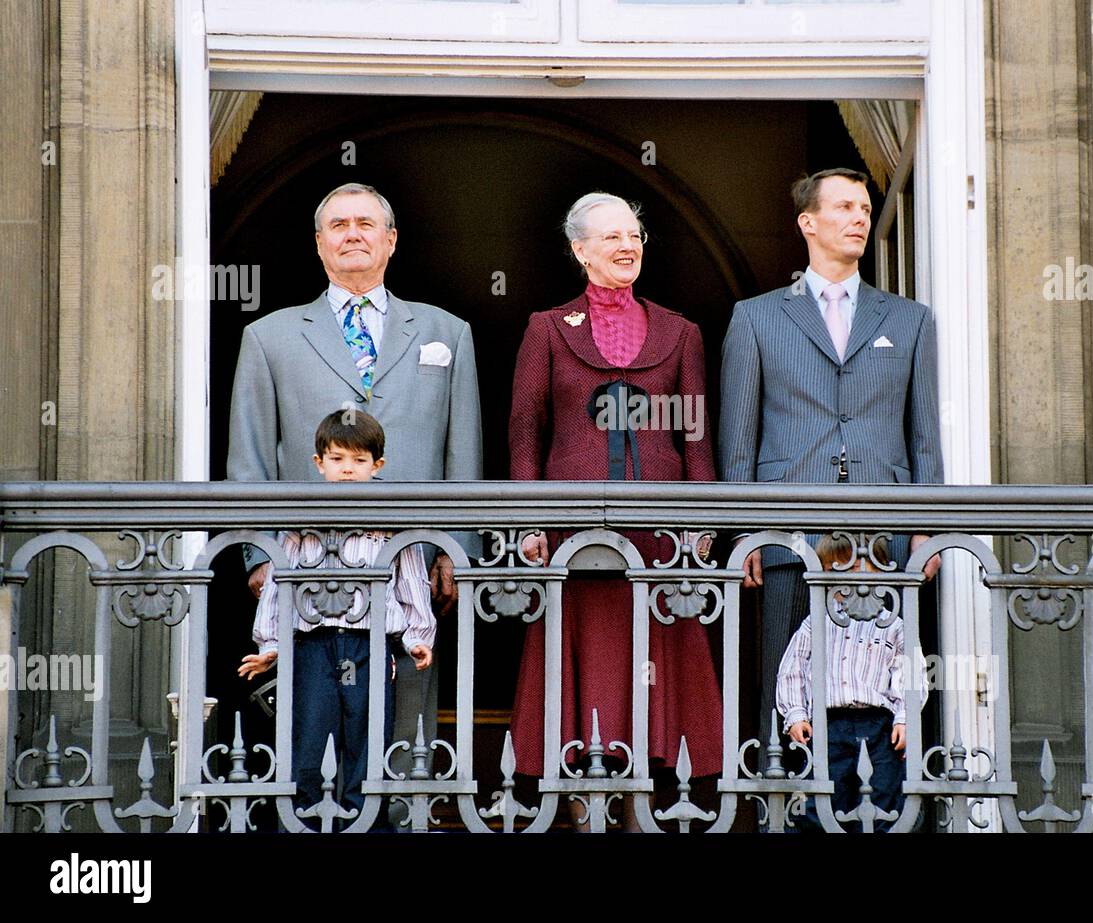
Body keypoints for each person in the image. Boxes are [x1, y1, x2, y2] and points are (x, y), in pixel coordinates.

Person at [227, 182, 482, 783]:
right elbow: (250, 456)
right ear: (319, 244)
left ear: (391, 241)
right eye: (338, 224)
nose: (353, 234)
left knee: (403, 717)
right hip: (304, 565)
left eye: (367, 224)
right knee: (308, 719)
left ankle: (397, 812)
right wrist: (257, 553)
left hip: (408, 562)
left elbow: (463, 451)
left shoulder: (448, 331)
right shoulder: (270, 336)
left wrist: (456, 547)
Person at [508, 192, 723, 827]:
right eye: (610, 238)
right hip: (574, 535)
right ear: (580, 251)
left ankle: (643, 805)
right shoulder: (546, 328)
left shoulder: (681, 332)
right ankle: (575, 802)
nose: (627, 247)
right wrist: (530, 522)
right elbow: (526, 432)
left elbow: (697, 438)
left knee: (653, 662)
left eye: (634, 236)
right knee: (584, 661)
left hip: (659, 538)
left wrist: (701, 521)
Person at [717, 167, 944, 733]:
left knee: (891, 683)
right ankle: (782, 812)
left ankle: (892, 816)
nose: (859, 218)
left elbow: (924, 434)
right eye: (843, 207)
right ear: (808, 222)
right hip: (788, 530)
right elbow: (738, 438)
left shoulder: (909, 319)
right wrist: (746, 530)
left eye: (864, 209)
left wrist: (928, 527)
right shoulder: (756, 317)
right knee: (786, 683)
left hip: (885, 530)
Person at [237, 410, 435, 828]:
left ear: (377, 466)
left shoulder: (394, 517)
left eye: (359, 461)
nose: (348, 469)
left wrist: (417, 635)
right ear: (319, 462)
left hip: (370, 646)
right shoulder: (300, 518)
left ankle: (367, 824)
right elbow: (279, 582)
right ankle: (303, 821)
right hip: (313, 645)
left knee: (367, 739)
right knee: (309, 739)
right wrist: (269, 645)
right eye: (338, 459)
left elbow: (411, 577)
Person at [775, 533, 921, 833]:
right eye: (838, 571)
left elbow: (910, 673)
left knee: (883, 798)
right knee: (824, 797)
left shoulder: (892, 624)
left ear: (881, 574)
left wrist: (905, 718)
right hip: (828, 724)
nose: (850, 581)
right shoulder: (818, 621)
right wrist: (796, 713)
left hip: (879, 725)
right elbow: (793, 667)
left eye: (858, 569)